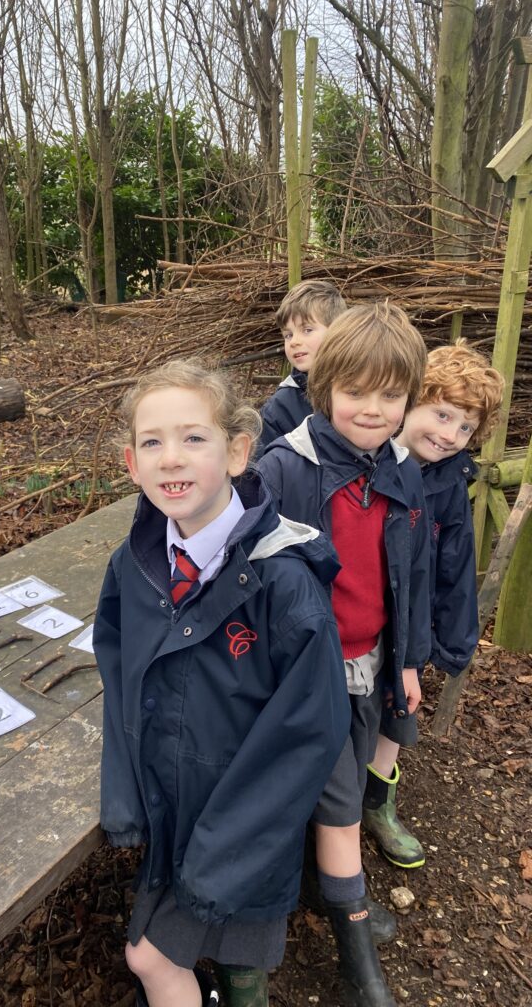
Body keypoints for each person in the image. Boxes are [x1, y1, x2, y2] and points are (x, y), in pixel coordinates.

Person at [94, 359, 350, 1007]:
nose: (171, 458)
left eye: (193, 438)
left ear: (237, 452)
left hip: (239, 830)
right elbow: (120, 674)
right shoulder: (134, 566)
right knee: (183, 956)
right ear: (131, 463)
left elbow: (303, 740)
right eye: (152, 442)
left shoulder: (285, 587)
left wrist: (216, 861)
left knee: (157, 957)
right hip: (170, 811)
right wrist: (126, 799)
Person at [257, 303, 431, 1007]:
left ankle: (328, 892)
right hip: (308, 674)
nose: (373, 409)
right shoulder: (284, 470)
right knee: (339, 809)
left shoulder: (401, 468)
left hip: (371, 661)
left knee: (348, 786)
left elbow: (409, 576)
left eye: (391, 396)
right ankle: (357, 959)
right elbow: (252, 578)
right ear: (324, 385)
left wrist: (409, 661)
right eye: (357, 392)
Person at [362, 341, 504, 869]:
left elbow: (454, 566)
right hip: (359, 615)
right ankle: (328, 810)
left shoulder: (449, 482)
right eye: (441, 414)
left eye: (464, 427)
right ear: (410, 403)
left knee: (396, 715)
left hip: (409, 626)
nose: (448, 435)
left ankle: (378, 804)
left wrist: (450, 642)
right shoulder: (369, 458)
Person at [258, 279, 347, 453]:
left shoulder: (361, 387)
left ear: (337, 332)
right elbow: (262, 470)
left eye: (307, 330)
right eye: (288, 335)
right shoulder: (279, 407)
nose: (294, 342)